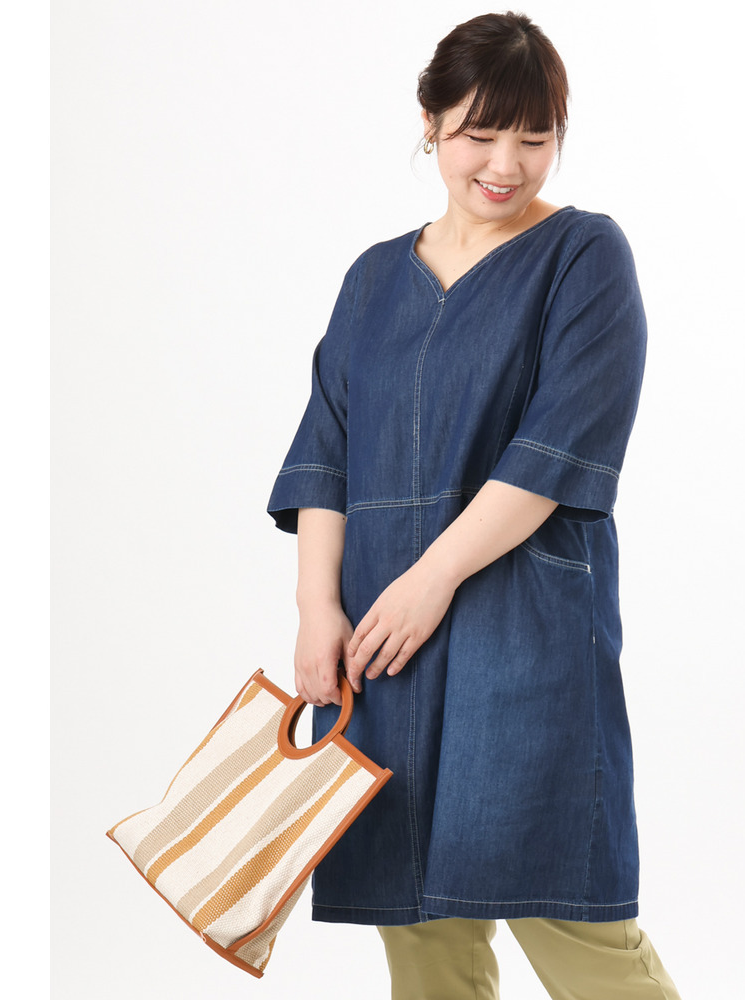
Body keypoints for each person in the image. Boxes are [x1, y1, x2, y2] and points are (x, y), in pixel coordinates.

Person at [267, 11, 682, 1000]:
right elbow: (326, 452)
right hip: (381, 640)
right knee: (422, 928)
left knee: (570, 917)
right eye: (478, 134)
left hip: (522, 630)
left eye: (534, 138)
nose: (505, 164)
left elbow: (555, 452)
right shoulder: (375, 277)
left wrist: (433, 579)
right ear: (430, 125)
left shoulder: (583, 256)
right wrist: (316, 606)